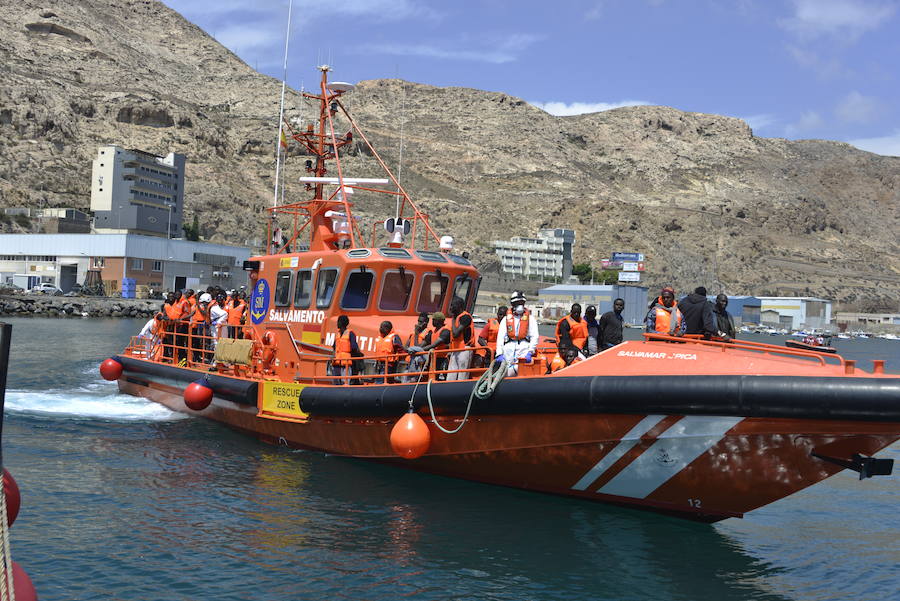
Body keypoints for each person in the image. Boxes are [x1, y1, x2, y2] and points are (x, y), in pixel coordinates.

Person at [495, 290, 539, 376]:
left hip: (524, 350)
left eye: (522, 303)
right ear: (513, 304)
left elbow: (534, 337)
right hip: (508, 350)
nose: (520, 305)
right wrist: (499, 353)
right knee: (505, 373)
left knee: (520, 372)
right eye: (517, 303)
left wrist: (530, 352)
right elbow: (500, 338)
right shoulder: (505, 319)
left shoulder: (531, 319)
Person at [447, 296, 474, 380]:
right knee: (451, 376)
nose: (450, 308)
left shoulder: (465, 317)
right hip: (456, 349)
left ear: (459, 306)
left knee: (462, 376)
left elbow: (456, 334)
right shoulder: (457, 318)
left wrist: (453, 318)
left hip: (464, 349)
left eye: (453, 305)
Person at [332, 315, 359, 384]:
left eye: (338, 321)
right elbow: (334, 347)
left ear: (342, 323)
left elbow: (354, 348)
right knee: (336, 382)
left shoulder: (350, 334)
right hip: (337, 363)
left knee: (345, 382)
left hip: (346, 364)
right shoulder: (338, 334)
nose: (337, 323)